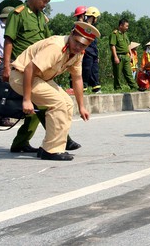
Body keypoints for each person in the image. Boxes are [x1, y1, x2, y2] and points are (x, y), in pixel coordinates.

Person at [5, 0, 80, 153]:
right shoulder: (18, 14)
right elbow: (9, 40)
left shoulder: (42, 17)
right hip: (23, 65)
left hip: (42, 65)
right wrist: (6, 66)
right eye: (44, 1)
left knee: (41, 106)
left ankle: (24, 142)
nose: (45, 5)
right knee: (44, 105)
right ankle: (58, 141)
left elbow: (49, 40)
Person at [9, 21, 99, 161]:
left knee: (68, 103)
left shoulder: (78, 53)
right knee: (58, 103)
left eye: (83, 45)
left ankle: (50, 146)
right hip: (21, 76)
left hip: (40, 78)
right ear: (71, 34)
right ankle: (50, 150)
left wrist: (81, 106)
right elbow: (29, 69)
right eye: (76, 42)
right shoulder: (56, 47)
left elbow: (77, 78)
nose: (78, 47)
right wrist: (27, 99)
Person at [0, 5, 15, 126]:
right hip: (0, 61)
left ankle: (0, 116)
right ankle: (3, 117)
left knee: (9, 89)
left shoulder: (12, 27)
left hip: (11, 61)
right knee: (3, 89)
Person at [110, 18, 138, 91]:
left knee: (129, 73)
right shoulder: (114, 34)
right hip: (119, 56)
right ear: (121, 25)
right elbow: (112, 46)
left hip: (126, 56)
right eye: (126, 26)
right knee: (117, 74)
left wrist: (131, 54)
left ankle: (134, 87)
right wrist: (115, 57)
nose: (127, 28)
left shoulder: (125, 34)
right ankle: (117, 88)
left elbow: (128, 45)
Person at [81, 6, 101, 93]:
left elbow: (94, 44)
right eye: (96, 17)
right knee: (86, 69)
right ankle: (83, 87)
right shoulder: (83, 26)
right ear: (93, 17)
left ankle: (96, 87)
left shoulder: (92, 28)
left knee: (94, 70)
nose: (96, 19)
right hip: (86, 52)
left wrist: (97, 55)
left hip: (93, 53)